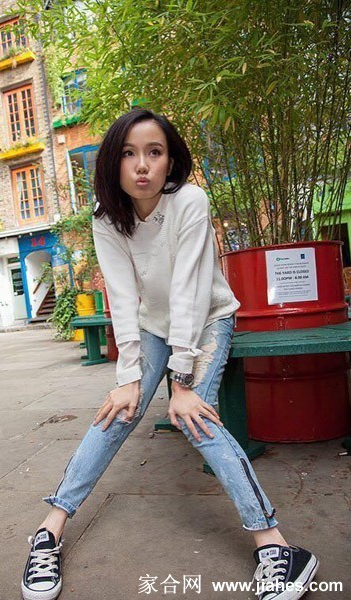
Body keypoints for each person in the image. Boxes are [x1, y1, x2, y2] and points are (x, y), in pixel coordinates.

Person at [21, 109, 319, 600]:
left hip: (207, 317)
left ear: (170, 161)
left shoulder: (190, 202)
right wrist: (128, 378)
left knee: (195, 416)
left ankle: (275, 545)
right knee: (119, 409)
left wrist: (181, 382)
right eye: (129, 153)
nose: (142, 165)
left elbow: (190, 291)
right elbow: (122, 298)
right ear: (113, 163)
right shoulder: (105, 217)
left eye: (154, 152)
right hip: (152, 323)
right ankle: (48, 530)